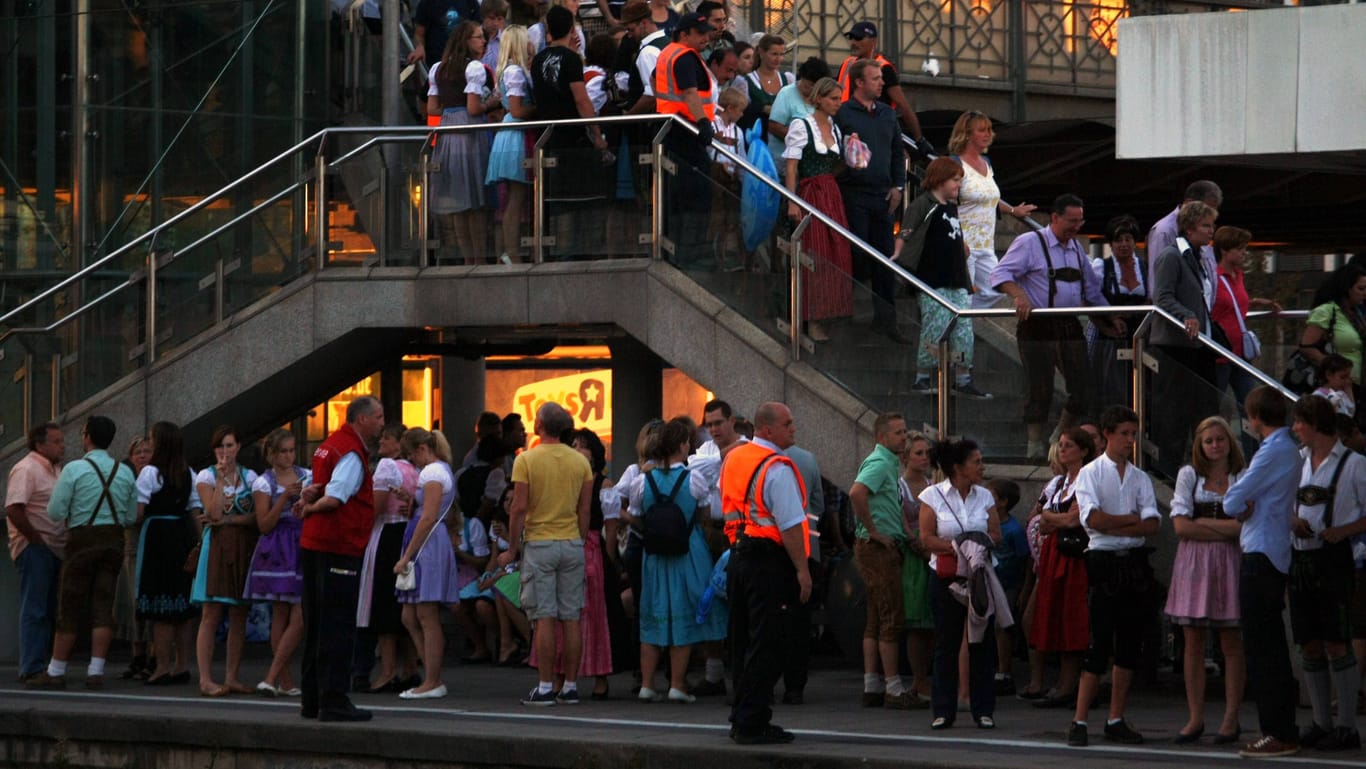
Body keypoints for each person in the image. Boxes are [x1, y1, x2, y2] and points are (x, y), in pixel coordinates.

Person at [991, 193, 1121, 459]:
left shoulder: (1076, 250)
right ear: (1054, 218)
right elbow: (1000, 274)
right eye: (1071, 221)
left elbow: (1092, 292)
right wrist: (1019, 295)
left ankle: (1059, 434)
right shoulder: (1030, 242)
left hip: (1069, 324)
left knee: (1083, 385)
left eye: (1080, 222)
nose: (1076, 227)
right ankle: (1034, 445)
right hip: (1036, 324)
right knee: (1039, 386)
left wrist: (1110, 318)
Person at [1067, 405, 1159, 747]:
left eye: (1133, 435)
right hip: (1103, 558)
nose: (1130, 441)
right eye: (1124, 434)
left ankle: (1115, 716)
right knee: (1099, 640)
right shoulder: (1091, 473)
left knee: (1128, 642)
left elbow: (1153, 524)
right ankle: (1079, 719)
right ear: (1108, 435)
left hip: (1131, 559)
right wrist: (1130, 521)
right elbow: (1093, 520)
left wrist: (1118, 520)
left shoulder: (1139, 477)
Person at [24, 415, 137, 691]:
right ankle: (96, 671)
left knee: (69, 604)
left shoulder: (73, 470)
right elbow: (131, 515)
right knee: (103, 605)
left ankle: (55, 670)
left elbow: (55, 512)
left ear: (87, 436)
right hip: (113, 542)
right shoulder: (124, 472)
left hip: (82, 540)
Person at [1221, 386, 1303, 758]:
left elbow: (1232, 500)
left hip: (1261, 552)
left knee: (1262, 647)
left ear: (1254, 418)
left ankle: (1277, 730)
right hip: (1274, 549)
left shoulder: (1272, 451)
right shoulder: (1288, 449)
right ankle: (1282, 726)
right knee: (1269, 645)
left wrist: (1241, 501)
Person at [722, 402, 809, 744]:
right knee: (770, 642)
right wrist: (802, 570)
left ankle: (742, 715)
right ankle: (751, 721)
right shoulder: (777, 467)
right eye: (788, 424)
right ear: (768, 429)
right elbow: (789, 525)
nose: (794, 429)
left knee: (743, 639)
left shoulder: (735, 458)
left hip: (738, 555)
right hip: (769, 561)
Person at [499, 402, 595, 706]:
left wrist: (512, 548)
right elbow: (585, 509)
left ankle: (544, 686)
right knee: (571, 617)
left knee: (544, 618)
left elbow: (519, 507)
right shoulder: (581, 462)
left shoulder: (526, 460)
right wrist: (578, 539)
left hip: (540, 543)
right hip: (571, 543)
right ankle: (569, 685)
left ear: (540, 425)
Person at [297, 394, 386, 722]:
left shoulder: (329, 444)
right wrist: (310, 506)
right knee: (337, 625)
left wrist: (307, 498)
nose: (381, 423)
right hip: (338, 546)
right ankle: (333, 700)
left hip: (315, 544)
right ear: (362, 419)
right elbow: (335, 498)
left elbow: (314, 484)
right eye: (378, 417)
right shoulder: (350, 452)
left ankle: (312, 699)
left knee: (316, 625)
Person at [1288, 396, 1365, 752]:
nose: (1294, 430)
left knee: (1337, 641)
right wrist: (1293, 521)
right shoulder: (1298, 462)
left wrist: (1345, 530)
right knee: (1309, 642)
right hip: (1301, 559)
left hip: (1335, 560)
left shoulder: (1355, 464)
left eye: (1299, 423)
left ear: (1314, 423)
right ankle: (1321, 721)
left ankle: (1347, 725)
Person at [628, 417, 722, 702]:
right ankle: (677, 685)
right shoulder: (694, 478)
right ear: (683, 446)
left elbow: (635, 516)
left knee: (653, 612)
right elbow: (705, 514)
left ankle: (647, 684)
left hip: (654, 554)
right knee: (683, 611)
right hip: (688, 550)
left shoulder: (642, 482)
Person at [1165, 416, 1246, 744]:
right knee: (1193, 642)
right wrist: (1224, 527)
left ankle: (1230, 718)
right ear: (1199, 445)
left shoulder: (1241, 476)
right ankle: (1195, 717)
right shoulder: (1189, 475)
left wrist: (1203, 523)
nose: (1215, 445)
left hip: (1229, 561)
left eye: (1220, 439)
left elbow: (1245, 527)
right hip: (1194, 563)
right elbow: (1181, 527)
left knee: (1230, 642)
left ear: (1229, 442)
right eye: (1209, 441)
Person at [918, 438, 1002, 730]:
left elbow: (996, 533)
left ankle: (983, 709)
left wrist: (977, 547)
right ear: (958, 467)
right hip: (946, 577)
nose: (982, 466)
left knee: (981, 642)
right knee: (946, 643)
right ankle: (943, 709)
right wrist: (958, 547)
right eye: (976, 461)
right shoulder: (932, 495)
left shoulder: (986, 497)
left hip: (979, 578)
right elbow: (926, 538)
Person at [900, 157, 988, 398]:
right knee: (935, 324)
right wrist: (899, 255)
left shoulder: (951, 207)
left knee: (963, 328)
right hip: (931, 277)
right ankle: (923, 375)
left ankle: (962, 376)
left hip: (956, 276)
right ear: (940, 179)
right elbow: (906, 234)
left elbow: (952, 235)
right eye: (955, 180)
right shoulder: (922, 204)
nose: (958, 186)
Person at [836, 58, 908, 343]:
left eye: (881, 78)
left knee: (885, 259)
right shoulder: (843, 113)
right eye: (876, 79)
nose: (882, 83)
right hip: (853, 193)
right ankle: (845, 314)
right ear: (860, 83)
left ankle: (886, 321)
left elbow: (896, 151)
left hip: (883, 195)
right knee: (854, 254)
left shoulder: (887, 115)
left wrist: (898, 186)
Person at [531, 5, 611, 259]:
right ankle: (579, 253)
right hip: (573, 136)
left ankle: (559, 252)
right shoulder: (571, 59)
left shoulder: (538, 60)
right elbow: (581, 99)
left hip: (547, 135)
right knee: (582, 199)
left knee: (558, 200)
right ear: (571, 27)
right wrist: (597, 135)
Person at [1026, 427, 1096, 707]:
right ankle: (1057, 683)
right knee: (1052, 616)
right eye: (1062, 445)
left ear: (1084, 450)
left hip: (1073, 556)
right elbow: (1039, 518)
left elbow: (1072, 520)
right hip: (1054, 554)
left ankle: (1068, 685)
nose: (1063, 449)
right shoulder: (1059, 484)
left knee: (1071, 618)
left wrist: (1051, 518)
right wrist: (1053, 517)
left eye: (1069, 445)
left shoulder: (1086, 480)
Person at [1150, 199, 1221, 472]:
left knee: (1204, 409)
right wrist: (1186, 315)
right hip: (1175, 347)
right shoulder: (1171, 256)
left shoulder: (1196, 257)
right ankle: (1168, 470)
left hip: (1197, 345)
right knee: (1174, 413)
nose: (1211, 231)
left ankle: (1203, 466)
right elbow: (1162, 296)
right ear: (1189, 229)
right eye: (1206, 225)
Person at [851, 413, 915, 709]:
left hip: (879, 544)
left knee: (876, 617)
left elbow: (887, 501)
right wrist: (874, 531)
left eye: (905, 432)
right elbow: (857, 493)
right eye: (899, 433)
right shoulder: (879, 463)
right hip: (877, 548)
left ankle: (871, 683)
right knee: (891, 615)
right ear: (882, 437)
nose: (904, 437)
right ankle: (893, 687)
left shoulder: (888, 463)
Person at [782, 76, 853, 342]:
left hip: (831, 193)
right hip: (811, 193)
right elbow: (792, 166)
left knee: (836, 253)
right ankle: (810, 319)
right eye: (834, 98)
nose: (838, 103)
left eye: (839, 98)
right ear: (819, 99)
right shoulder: (802, 124)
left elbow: (835, 165)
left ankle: (828, 315)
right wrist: (792, 201)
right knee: (816, 251)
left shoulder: (834, 128)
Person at [191, 425, 260, 697]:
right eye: (220, 446)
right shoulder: (206, 476)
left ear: (239, 447)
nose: (225, 452)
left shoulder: (250, 477)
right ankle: (206, 679)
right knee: (211, 613)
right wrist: (220, 481)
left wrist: (231, 520)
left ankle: (232, 676)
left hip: (242, 545)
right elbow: (214, 512)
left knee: (239, 613)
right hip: (216, 546)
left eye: (230, 446)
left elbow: (256, 516)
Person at [393, 428, 460, 700]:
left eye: (411, 456)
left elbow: (428, 517)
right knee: (410, 615)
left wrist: (407, 555)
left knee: (425, 615)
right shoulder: (440, 470)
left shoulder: (432, 473)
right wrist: (411, 501)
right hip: (429, 542)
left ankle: (432, 680)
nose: (412, 462)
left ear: (422, 449)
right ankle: (432, 676)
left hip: (427, 546)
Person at [947, 110, 1037, 309]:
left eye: (989, 129)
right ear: (967, 134)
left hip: (986, 243)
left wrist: (1013, 210)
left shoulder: (986, 163)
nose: (988, 134)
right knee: (965, 295)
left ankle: (957, 318)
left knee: (994, 291)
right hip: (964, 242)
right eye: (982, 130)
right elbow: (946, 203)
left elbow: (990, 198)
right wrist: (958, 239)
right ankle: (956, 328)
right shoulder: (955, 164)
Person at [134, 421, 200, 686]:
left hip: (158, 537)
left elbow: (139, 512)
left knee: (160, 608)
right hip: (182, 534)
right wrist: (199, 543)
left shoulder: (151, 473)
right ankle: (181, 665)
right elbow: (195, 511)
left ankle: (161, 667)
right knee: (182, 607)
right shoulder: (189, 472)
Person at [246, 429, 310, 697]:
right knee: (281, 613)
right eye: (283, 451)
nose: (289, 456)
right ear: (271, 454)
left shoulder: (307, 475)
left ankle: (272, 676)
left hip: (302, 542)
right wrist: (284, 497)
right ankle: (282, 679)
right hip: (277, 546)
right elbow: (264, 524)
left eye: (292, 450)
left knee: (300, 615)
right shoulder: (264, 482)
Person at [427, 20, 497, 263]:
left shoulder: (438, 68)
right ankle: (479, 258)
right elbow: (474, 107)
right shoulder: (474, 68)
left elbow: (432, 107)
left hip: (448, 128)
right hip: (470, 129)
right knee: (475, 199)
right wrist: (492, 102)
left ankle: (468, 258)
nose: (483, 41)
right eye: (478, 37)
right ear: (467, 41)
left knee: (458, 198)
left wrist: (450, 106)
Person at [357, 423, 420, 693]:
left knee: (382, 602)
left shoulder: (386, 467)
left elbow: (377, 506)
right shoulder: (414, 469)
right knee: (402, 602)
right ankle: (410, 668)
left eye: (387, 437)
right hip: (406, 534)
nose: (381, 441)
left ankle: (387, 671)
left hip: (385, 535)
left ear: (398, 443)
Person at [655, 12, 717, 270]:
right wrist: (703, 123)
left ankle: (676, 249)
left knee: (676, 192)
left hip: (672, 127)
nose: (705, 37)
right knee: (697, 190)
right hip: (686, 129)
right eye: (699, 33)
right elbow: (690, 92)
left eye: (706, 33)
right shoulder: (684, 56)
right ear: (684, 34)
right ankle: (689, 251)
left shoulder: (669, 52)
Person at [6, 422, 66, 684]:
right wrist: (35, 538)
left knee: (48, 608)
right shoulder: (26, 469)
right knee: (36, 607)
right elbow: (14, 508)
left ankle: (41, 665)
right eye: (56, 442)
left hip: (55, 547)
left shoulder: (57, 470)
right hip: (36, 547)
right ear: (40, 444)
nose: (62, 446)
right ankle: (31, 666)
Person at [1210, 225, 1281, 408]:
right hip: (1220, 352)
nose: (1244, 253)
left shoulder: (1238, 275)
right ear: (1225, 250)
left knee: (1250, 405)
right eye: (1239, 248)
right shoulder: (1214, 277)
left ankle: (1250, 437)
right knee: (1214, 402)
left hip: (1240, 353)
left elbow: (1234, 303)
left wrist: (1257, 302)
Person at [485, 24, 536, 264]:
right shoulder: (515, 71)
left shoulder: (509, 70)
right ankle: (512, 253)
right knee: (516, 198)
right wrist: (540, 109)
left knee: (516, 198)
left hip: (510, 131)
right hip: (516, 132)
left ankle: (510, 251)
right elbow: (516, 109)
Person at [835, 21, 927, 148]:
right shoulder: (847, 64)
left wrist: (919, 139)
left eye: (858, 38)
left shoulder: (884, 68)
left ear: (873, 41)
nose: (853, 42)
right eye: (851, 38)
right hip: (845, 130)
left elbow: (903, 105)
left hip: (874, 134)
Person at [1090, 215, 1147, 409]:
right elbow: (1088, 300)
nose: (1124, 244)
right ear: (1111, 243)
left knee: (1141, 388)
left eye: (1128, 239)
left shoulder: (1145, 269)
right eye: (1118, 240)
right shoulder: (1101, 267)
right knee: (1111, 389)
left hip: (1139, 338)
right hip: (1109, 338)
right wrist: (1106, 327)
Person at [899, 432, 935, 703]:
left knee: (933, 621)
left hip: (932, 552)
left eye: (926, 453)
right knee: (915, 621)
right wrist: (916, 543)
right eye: (918, 453)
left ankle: (929, 678)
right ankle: (918, 680)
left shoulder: (931, 483)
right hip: (912, 557)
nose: (924, 458)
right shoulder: (900, 486)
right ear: (906, 457)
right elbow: (901, 521)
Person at [987, 478, 1028, 696]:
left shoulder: (1013, 530)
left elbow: (1025, 560)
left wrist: (1023, 588)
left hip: (1007, 583)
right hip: (987, 581)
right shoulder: (984, 523)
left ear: (1002, 502)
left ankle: (1004, 671)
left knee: (1003, 627)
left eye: (991, 496)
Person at [116, 434, 153, 680]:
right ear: (131, 456)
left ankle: (152, 657)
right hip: (129, 546)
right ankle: (136, 657)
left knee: (147, 604)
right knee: (131, 604)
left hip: (149, 546)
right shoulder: (126, 480)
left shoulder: (154, 479)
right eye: (138, 451)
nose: (142, 455)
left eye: (146, 451)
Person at [1298, 262, 1366, 385]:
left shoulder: (1357, 314)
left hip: (1357, 385)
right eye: (1360, 289)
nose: (1364, 293)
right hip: (1336, 385)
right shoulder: (1327, 311)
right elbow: (1307, 348)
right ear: (1347, 289)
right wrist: (1333, 368)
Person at [1146, 179, 1222, 289]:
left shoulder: (1204, 237)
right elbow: (1158, 282)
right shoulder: (1164, 231)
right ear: (1188, 203)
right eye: (1206, 209)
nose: (1211, 215)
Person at [765, 57, 826, 170]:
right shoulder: (786, 94)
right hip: (782, 162)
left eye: (817, 86)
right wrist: (803, 140)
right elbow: (774, 126)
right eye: (810, 84)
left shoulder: (822, 99)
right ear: (802, 77)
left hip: (807, 165)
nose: (813, 89)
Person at [742, 35, 791, 144]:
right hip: (758, 141)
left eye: (781, 54)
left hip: (783, 143)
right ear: (761, 52)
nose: (778, 59)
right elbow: (741, 110)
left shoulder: (788, 79)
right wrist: (762, 108)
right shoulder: (746, 81)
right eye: (774, 54)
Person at [408, 0, 483, 67]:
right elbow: (419, 34)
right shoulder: (427, 2)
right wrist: (419, 47)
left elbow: (477, 30)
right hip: (435, 64)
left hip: (464, 64)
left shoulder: (470, 2)